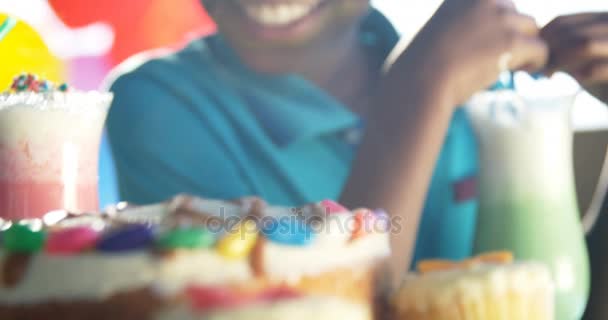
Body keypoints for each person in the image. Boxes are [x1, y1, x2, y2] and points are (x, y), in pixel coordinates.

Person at [106, 0, 608, 283]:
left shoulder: (482, 75)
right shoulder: (158, 106)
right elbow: (331, 303)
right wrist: (418, 89)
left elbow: (560, 293)